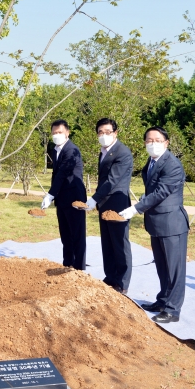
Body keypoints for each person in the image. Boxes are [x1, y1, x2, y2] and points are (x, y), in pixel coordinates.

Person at [119, 126, 190, 323]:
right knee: (162, 265)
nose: (153, 144)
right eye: (149, 140)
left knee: (174, 269)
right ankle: (163, 300)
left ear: (166, 143)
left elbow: (161, 192)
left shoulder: (172, 165)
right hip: (156, 222)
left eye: (157, 140)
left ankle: (172, 310)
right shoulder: (151, 162)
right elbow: (152, 189)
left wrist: (136, 208)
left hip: (171, 223)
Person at [84, 118, 134, 294]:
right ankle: (110, 276)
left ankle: (122, 282)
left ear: (115, 133)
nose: (103, 135)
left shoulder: (122, 153)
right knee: (107, 242)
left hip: (117, 203)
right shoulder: (104, 151)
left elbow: (113, 180)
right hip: (104, 203)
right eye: (100, 132)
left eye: (107, 132)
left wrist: (94, 199)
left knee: (119, 243)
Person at [40, 119, 87, 270]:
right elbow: (56, 174)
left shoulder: (72, 150)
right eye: (54, 133)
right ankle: (68, 264)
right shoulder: (55, 149)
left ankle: (79, 268)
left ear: (67, 132)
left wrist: (50, 194)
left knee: (77, 235)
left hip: (74, 197)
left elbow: (63, 174)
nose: (56, 135)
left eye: (60, 132)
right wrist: (55, 195)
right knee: (65, 234)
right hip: (62, 198)